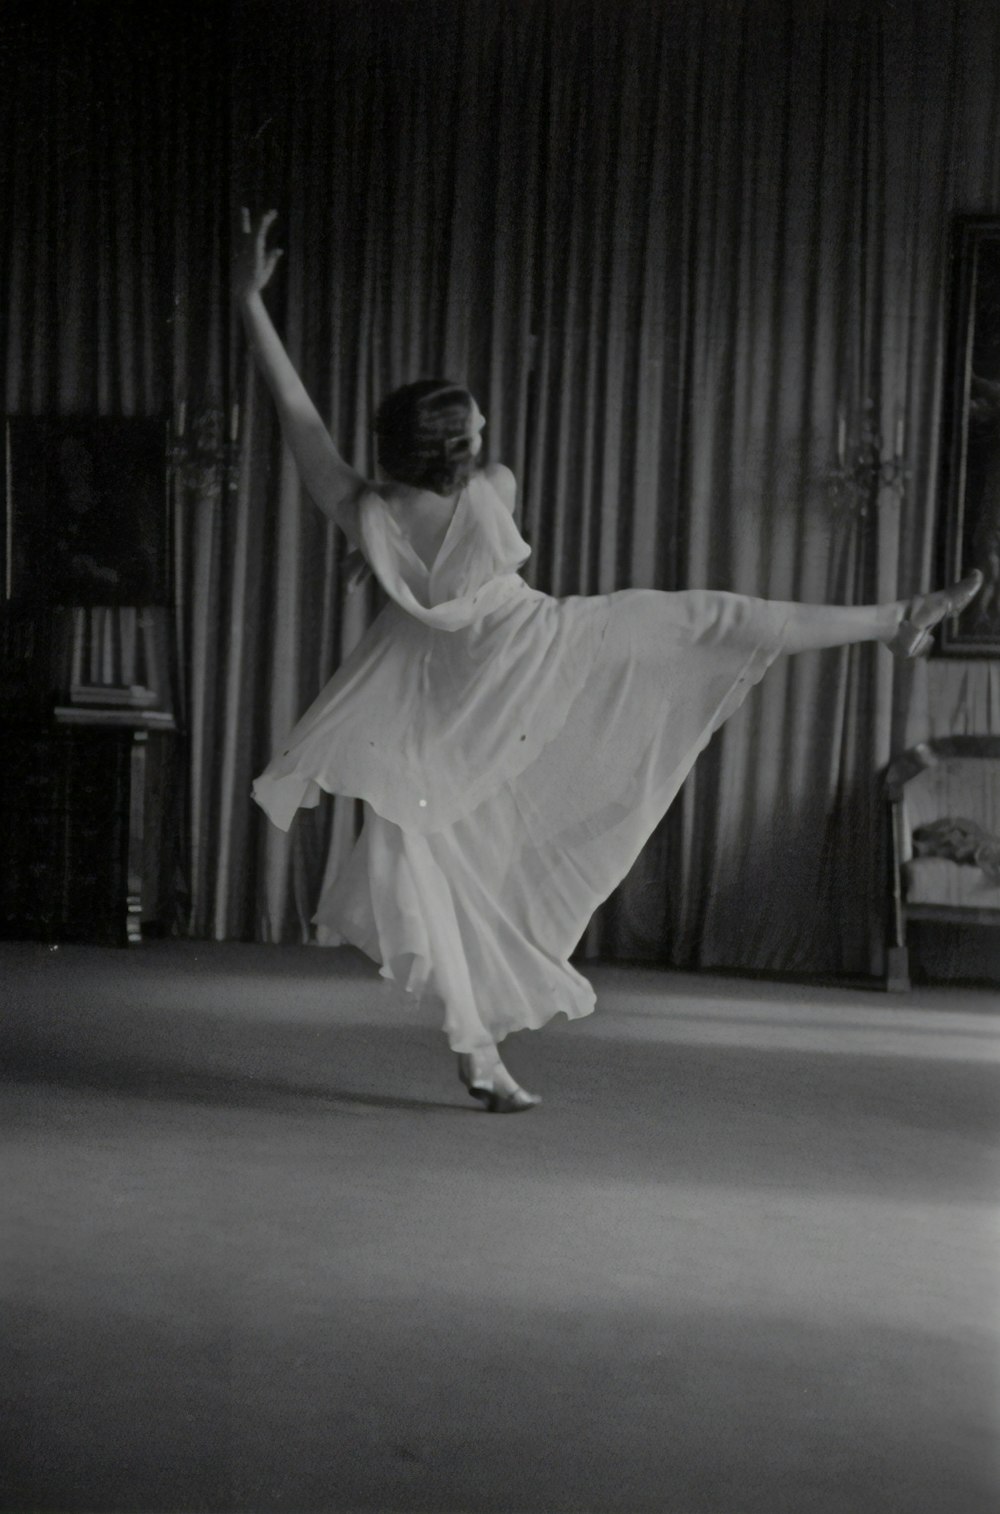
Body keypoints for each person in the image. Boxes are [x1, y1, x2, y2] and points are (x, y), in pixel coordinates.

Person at [235, 209, 983, 1113]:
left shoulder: (365, 509)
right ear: (459, 453)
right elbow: (465, 521)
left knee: (425, 848)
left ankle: (480, 1053)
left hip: (459, 698)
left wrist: (249, 300)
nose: (487, 433)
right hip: (544, 657)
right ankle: (895, 618)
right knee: (723, 619)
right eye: (477, 426)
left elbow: (297, 413)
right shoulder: (492, 489)